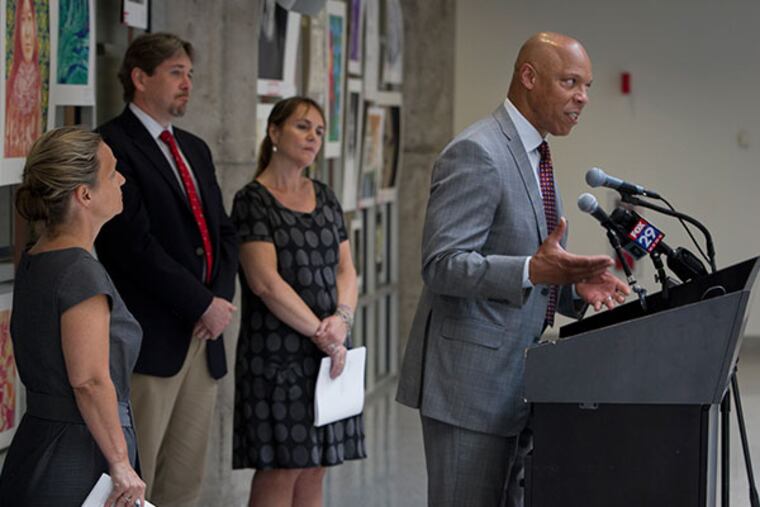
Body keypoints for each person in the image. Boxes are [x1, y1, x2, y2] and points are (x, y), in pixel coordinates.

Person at [395, 32, 631, 507]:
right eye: (570, 82)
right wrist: (535, 270)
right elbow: (442, 265)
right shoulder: (478, 151)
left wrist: (570, 284)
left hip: (516, 382)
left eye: (586, 85)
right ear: (529, 77)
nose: (582, 97)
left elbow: (531, 260)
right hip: (468, 389)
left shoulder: (536, 153)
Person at [94, 33, 238, 507]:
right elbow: (131, 245)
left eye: (191, 74)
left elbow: (223, 232)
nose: (188, 84)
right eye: (176, 72)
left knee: (184, 480)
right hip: (152, 337)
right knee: (140, 477)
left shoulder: (193, 148)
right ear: (139, 77)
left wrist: (216, 302)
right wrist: (202, 302)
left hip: (202, 336)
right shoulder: (112, 144)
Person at [231, 96, 367, 507]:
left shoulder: (324, 196)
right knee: (282, 466)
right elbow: (264, 282)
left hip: (327, 354)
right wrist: (321, 332)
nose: (313, 137)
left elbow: (347, 270)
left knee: (315, 465)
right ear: (274, 132)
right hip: (276, 356)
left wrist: (341, 321)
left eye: (320, 131)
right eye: (303, 126)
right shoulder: (252, 200)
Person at [0, 127, 145, 506]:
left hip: (40, 442)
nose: (122, 179)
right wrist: (120, 462)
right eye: (112, 172)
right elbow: (91, 381)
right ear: (85, 194)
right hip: (79, 454)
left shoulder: (37, 257)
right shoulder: (80, 271)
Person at [5, 0, 43, 157]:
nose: (27, 32)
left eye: (30, 19)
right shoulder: (9, 85)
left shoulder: (41, 89)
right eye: (22, 20)